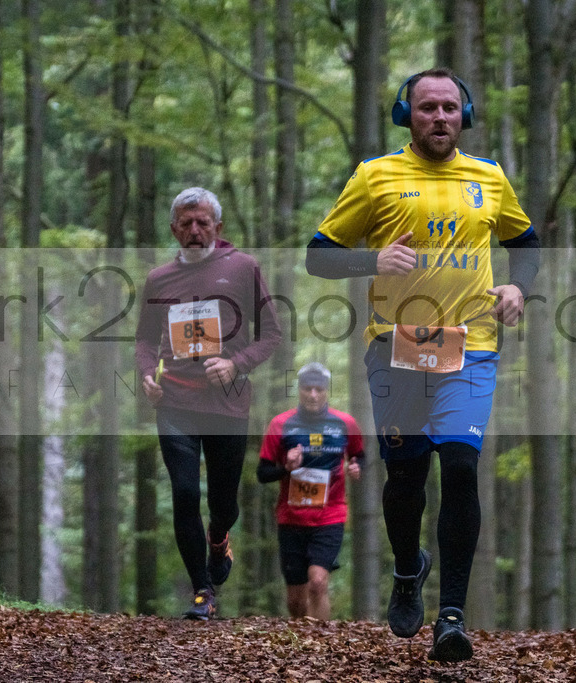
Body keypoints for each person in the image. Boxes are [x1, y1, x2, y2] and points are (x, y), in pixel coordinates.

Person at [305, 67, 540, 661]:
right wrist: (371, 260)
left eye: (450, 109)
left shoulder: (487, 178)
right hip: (395, 346)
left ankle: (453, 616)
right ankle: (409, 569)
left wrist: (519, 289)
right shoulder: (375, 176)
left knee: (460, 466)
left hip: (472, 344)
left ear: (466, 116)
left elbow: (526, 243)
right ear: (406, 114)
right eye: (428, 108)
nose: (440, 118)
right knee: (406, 477)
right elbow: (318, 258)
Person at [135, 186, 282, 620]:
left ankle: (220, 537)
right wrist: (146, 374)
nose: (195, 231)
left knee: (223, 502)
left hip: (227, 401)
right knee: (183, 492)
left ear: (218, 227)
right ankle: (203, 591)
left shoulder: (242, 267)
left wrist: (236, 365)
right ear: (174, 229)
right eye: (186, 224)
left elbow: (271, 334)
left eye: (203, 223)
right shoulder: (159, 279)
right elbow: (144, 338)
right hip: (175, 399)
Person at [256, 362, 364, 620]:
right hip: (291, 517)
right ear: (299, 390)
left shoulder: (345, 423)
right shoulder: (280, 424)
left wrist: (357, 467)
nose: (313, 394)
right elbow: (262, 473)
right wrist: (286, 468)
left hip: (330, 515)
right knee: (295, 599)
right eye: (307, 389)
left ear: (326, 391)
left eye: (318, 389)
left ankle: (321, 649)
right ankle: (301, 646)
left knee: (318, 582)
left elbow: (360, 455)